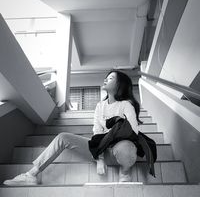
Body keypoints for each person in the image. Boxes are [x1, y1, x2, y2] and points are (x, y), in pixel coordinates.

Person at [4, 70, 141, 186]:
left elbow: (133, 132)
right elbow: (97, 132)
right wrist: (100, 159)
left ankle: (125, 172)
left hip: (120, 149)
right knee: (63, 137)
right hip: (101, 149)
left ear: (119, 85)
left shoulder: (126, 105)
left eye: (111, 78)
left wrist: (114, 133)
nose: (105, 79)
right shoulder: (100, 106)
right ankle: (32, 174)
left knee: (126, 146)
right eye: (106, 77)